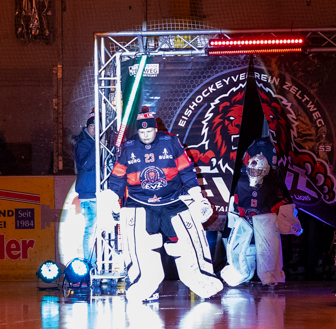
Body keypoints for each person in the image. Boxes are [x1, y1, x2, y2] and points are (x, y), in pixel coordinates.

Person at [94, 108, 223, 302]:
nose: (146, 135)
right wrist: (112, 197)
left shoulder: (171, 142)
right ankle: (145, 283)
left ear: (156, 129)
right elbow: (118, 177)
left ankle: (201, 279)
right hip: (140, 203)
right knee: (140, 245)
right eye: (142, 132)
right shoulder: (128, 148)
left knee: (188, 239)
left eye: (149, 131)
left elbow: (186, 170)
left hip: (172, 201)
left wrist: (196, 194)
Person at [220, 140, 302, 288]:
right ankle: (239, 273)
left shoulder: (272, 184)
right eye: (252, 171)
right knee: (238, 251)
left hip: (265, 223)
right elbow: (235, 204)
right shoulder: (241, 183)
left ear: (265, 171)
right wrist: (232, 222)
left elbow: (282, 204)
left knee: (268, 254)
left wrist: (289, 220)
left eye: (257, 171)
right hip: (245, 222)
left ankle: (271, 275)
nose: (254, 174)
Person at [73, 113, 99, 264]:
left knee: (99, 230)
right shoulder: (82, 144)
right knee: (91, 229)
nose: (94, 129)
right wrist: (97, 145)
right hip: (89, 195)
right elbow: (86, 165)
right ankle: (90, 263)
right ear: (87, 127)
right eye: (91, 126)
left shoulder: (100, 142)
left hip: (99, 193)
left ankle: (97, 262)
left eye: (97, 126)